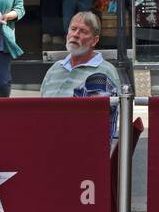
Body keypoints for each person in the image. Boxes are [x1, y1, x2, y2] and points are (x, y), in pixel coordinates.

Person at [39, 11, 122, 145]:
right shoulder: (55, 69)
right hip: (48, 145)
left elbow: (100, 121)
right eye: (73, 29)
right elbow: (40, 111)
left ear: (94, 40)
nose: (76, 35)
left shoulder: (105, 71)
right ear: (67, 34)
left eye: (83, 31)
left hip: (85, 148)